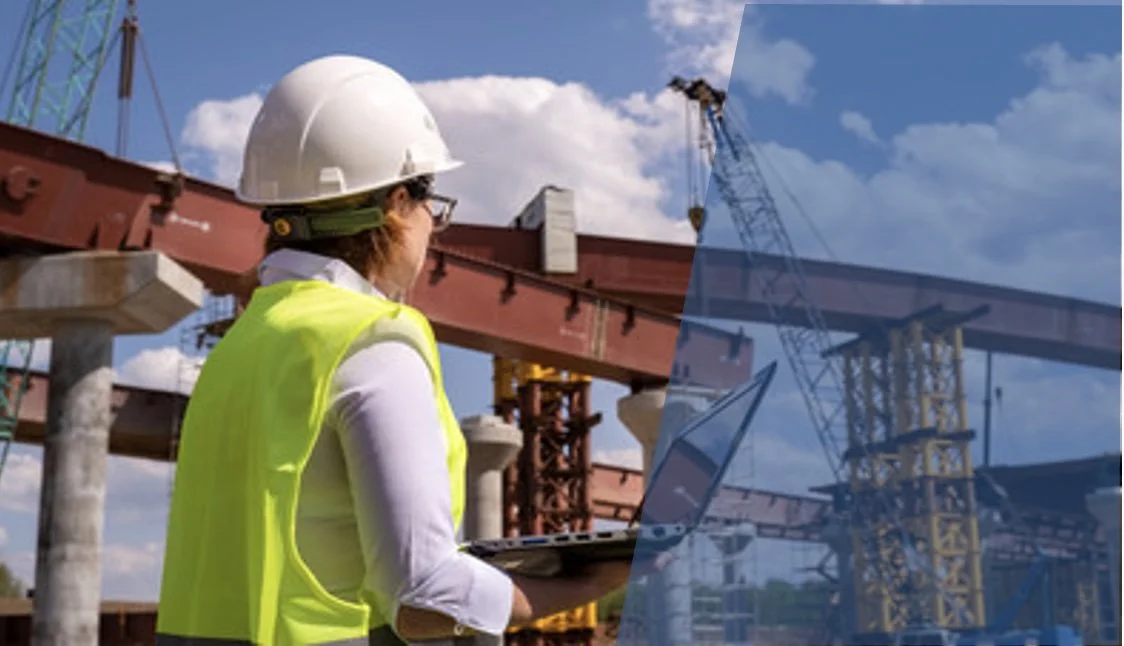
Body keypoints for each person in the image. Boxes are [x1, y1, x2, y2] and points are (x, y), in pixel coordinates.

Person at [155, 54, 646, 645]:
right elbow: (424, 596)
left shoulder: (239, 349)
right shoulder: (373, 340)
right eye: (429, 205)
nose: (431, 227)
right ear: (395, 203)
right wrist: (609, 576)